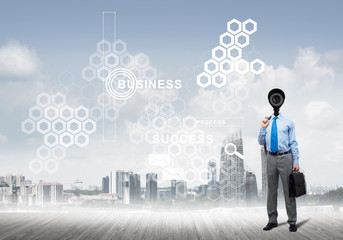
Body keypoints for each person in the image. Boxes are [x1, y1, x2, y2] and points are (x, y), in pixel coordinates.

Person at [258, 88, 299, 232]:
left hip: (285, 157)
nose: (275, 100)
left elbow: (293, 142)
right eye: (273, 98)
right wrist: (263, 128)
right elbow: (260, 141)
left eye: (277, 98)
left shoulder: (288, 123)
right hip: (270, 158)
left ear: (281, 101)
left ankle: (292, 221)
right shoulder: (266, 122)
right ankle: (272, 220)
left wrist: (296, 161)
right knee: (271, 190)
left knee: (289, 190)